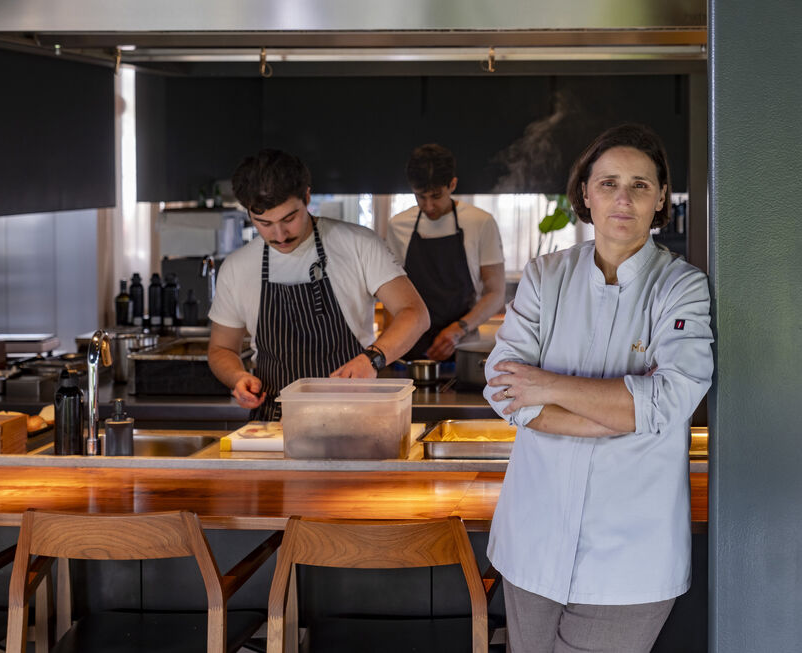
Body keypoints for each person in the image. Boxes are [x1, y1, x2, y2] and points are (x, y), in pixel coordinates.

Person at [483, 123, 713, 653]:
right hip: (532, 545)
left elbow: (671, 399)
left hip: (630, 558)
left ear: (661, 199)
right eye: (608, 183)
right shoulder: (545, 276)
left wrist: (547, 385)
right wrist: (618, 414)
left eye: (639, 184)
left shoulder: (682, 287)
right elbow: (503, 390)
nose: (622, 198)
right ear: (585, 193)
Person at [208, 149, 429, 420]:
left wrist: (373, 359)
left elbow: (415, 313)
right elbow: (221, 349)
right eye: (264, 223)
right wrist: (237, 377)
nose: (279, 235)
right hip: (275, 426)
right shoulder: (237, 267)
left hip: (354, 419)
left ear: (307, 198)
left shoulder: (358, 244)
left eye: (289, 218)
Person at [386, 144, 505, 361]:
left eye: (436, 196)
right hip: (411, 348)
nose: (429, 206)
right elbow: (391, 293)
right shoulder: (398, 226)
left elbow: (495, 293)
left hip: (464, 348)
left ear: (452, 184)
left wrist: (458, 329)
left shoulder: (480, 222)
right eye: (420, 197)